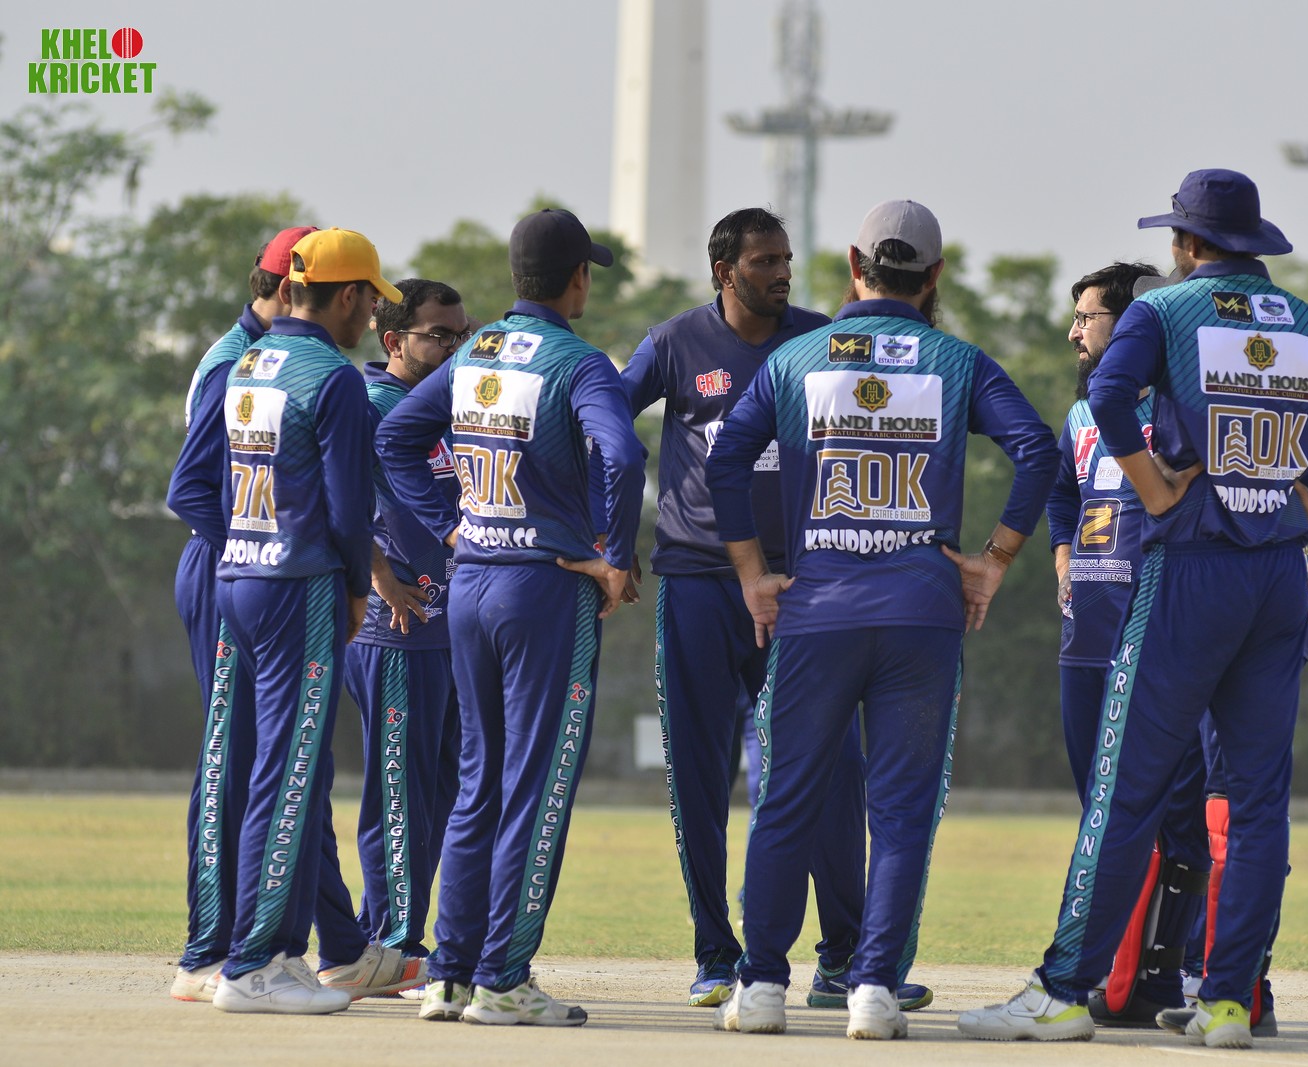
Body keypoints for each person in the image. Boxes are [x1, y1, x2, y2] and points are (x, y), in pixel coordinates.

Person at [958, 169, 1308, 1048]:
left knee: (1124, 787)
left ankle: (1065, 990)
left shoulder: (1166, 311)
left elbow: (1106, 396)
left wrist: (1155, 490)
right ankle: (1226, 1000)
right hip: (1281, 577)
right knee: (1256, 799)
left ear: (1184, 244)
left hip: (1191, 571)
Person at [706, 199, 1058, 1040]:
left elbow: (725, 462)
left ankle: (762, 985)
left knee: (785, 802)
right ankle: (873, 986)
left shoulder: (794, 357)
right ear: (934, 275)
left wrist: (753, 574)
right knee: (900, 813)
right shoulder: (958, 360)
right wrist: (995, 559)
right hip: (921, 616)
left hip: (816, 612)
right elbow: (1038, 450)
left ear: (853, 263)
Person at [620, 207, 926, 1012]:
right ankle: (717, 954)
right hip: (697, 581)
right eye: (765, 261)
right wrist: (610, 534)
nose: (782, 272)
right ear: (725, 271)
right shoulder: (673, 343)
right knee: (699, 774)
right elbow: (606, 423)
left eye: (786, 259)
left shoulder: (821, 339)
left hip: (804, 587)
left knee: (834, 770)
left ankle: (844, 956)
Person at [375, 208, 645, 1026]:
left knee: (476, 782)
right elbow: (623, 452)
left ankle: (450, 975)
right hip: (544, 589)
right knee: (537, 783)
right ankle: (503, 976)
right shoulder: (580, 361)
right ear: (577, 279)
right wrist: (616, 554)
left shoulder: (477, 350)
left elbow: (396, 437)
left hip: (471, 585)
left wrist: (453, 524)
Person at [199, 227, 402, 1013]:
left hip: (240, 575)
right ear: (347, 296)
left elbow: (209, 481)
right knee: (287, 773)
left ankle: (281, 953)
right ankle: (252, 964)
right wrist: (356, 588)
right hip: (299, 583)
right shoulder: (336, 378)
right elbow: (351, 508)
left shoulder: (249, 362)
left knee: (281, 769)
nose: (371, 317)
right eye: (370, 301)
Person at [1045, 263, 1212, 1029]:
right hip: (1087, 636)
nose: (1074, 331)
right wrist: (1061, 556)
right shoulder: (1084, 414)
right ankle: (1115, 968)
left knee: (1175, 813)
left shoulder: (1181, 408)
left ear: (1136, 321)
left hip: (1158, 635)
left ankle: (1171, 971)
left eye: (1088, 317)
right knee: (1100, 810)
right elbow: (1060, 491)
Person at [165, 225, 311, 1002]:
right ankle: (207, 950)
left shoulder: (273, 355)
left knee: (276, 759)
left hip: (253, 569)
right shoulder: (236, 360)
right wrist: (248, 550)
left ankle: (301, 940)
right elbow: (192, 489)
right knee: (229, 756)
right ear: (289, 288)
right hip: (229, 564)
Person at [342, 278, 470, 965]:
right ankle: (392, 942)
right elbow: (335, 494)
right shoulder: (370, 404)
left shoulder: (445, 407)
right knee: (399, 797)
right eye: (438, 335)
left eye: (461, 334)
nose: (454, 347)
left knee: (440, 795)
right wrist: (378, 575)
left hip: (450, 628)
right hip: (396, 629)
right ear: (393, 340)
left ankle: (383, 934)